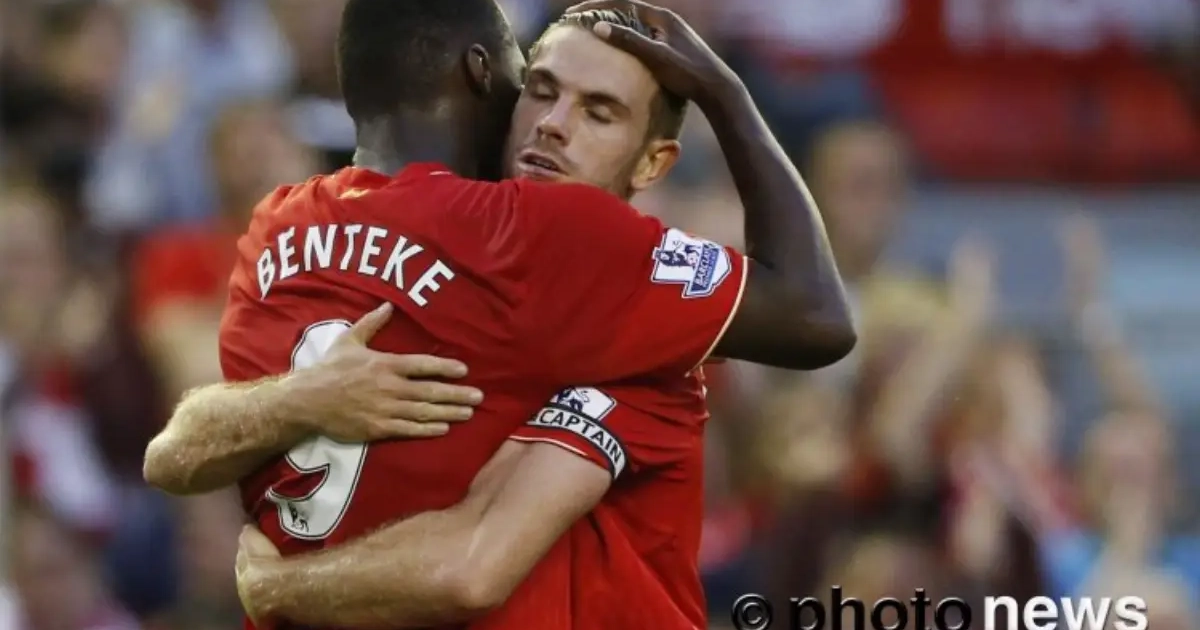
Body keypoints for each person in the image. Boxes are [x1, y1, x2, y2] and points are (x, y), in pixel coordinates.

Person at [143, 1, 854, 628]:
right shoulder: (523, 239)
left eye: (598, 112)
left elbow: (175, 453)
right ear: (484, 77)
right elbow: (814, 312)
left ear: (654, 162)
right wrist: (727, 95)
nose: (551, 124)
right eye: (538, 89)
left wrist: (278, 583)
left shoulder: (279, 225)